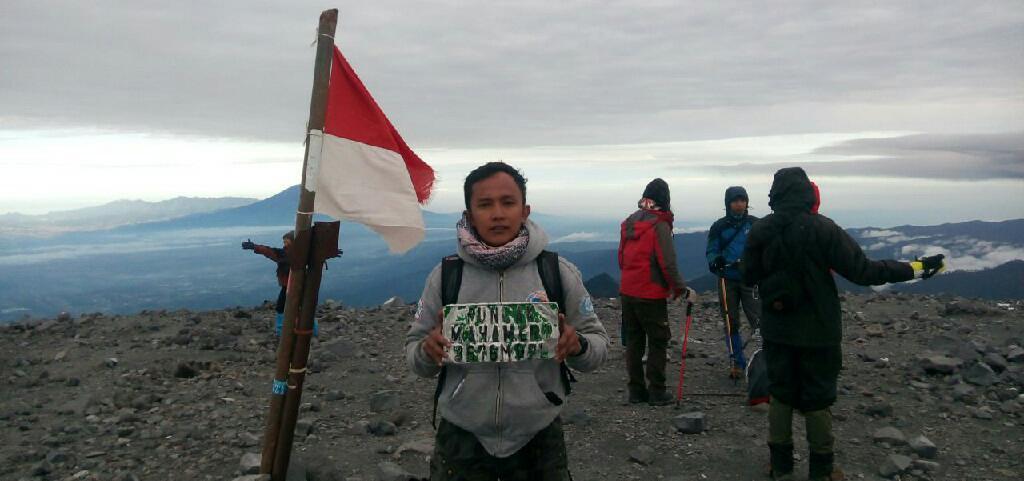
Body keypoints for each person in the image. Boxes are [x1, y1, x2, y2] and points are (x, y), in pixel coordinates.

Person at [405, 161, 609, 480]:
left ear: (525, 211)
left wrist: (578, 344)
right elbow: (415, 355)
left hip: (538, 437)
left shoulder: (557, 273)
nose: (498, 213)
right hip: (462, 436)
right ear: (469, 215)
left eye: (508, 202)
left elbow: (598, 347)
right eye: (485, 204)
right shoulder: (445, 277)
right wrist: (427, 351)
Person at [742, 167, 945, 481]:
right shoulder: (824, 229)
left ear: (775, 194)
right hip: (818, 331)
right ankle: (822, 470)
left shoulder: (760, 231)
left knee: (780, 394)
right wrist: (915, 268)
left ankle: (780, 466)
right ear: (806, 192)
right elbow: (864, 272)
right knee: (818, 398)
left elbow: (748, 276)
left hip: (778, 329)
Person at [618, 178, 696, 406]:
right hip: (649, 293)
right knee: (658, 340)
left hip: (628, 289)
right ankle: (657, 391)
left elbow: (621, 257)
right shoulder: (659, 224)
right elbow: (667, 262)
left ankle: (635, 390)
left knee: (634, 340)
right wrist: (680, 288)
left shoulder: (630, 222)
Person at [706, 186, 761, 379]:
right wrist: (716, 259)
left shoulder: (756, 225)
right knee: (731, 322)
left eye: (742, 200)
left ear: (747, 202)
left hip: (750, 278)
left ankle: (765, 359)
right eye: (735, 200)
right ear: (728, 203)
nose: (739, 204)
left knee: (759, 320)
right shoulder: (719, 227)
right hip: (727, 278)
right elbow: (711, 249)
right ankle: (737, 362)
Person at [243, 231, 293, 336]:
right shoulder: (293, 253)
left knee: (282, 307)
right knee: (292, 307)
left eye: (287, 241)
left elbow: (269, 251)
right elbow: (268, 250)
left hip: (291, 286)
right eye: (284, 242)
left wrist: (254, 247)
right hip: (291, 285)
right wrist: (254, 247)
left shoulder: (287, 254)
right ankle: (284, 330)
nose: (285, 244)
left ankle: (281, 331)